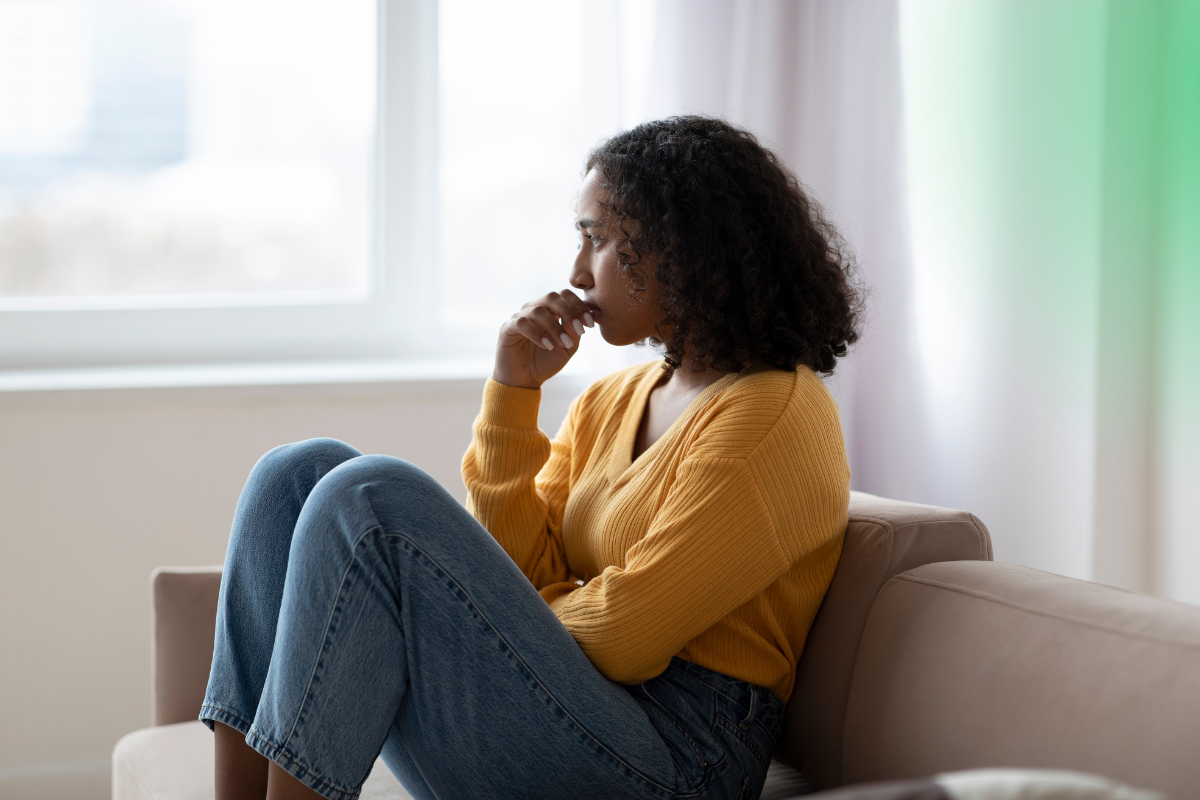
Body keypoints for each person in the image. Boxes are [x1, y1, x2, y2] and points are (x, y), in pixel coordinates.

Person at [200, 116, 862, 800]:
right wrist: (515, 394)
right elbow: (522, 565)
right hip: (576, 706)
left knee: (370, 498)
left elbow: (626, 640)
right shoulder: (613, 398)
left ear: (682, 248)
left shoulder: (775, 415)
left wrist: (509, 616)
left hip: (679, 756)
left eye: (597, 240)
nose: (577, 271)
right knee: (296, 473)